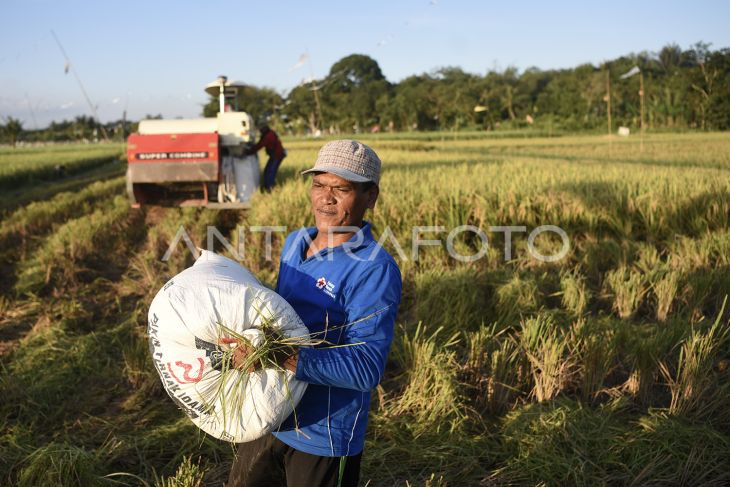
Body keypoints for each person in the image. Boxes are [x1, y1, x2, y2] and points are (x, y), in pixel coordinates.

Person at [227, 140, 402, 487]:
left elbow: (367, 368)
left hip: (323, 434)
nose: (327, 198)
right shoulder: (295, 242)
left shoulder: (374, 269)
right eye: (319, 184)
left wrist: (280, 357)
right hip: (269, 413)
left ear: (370, 197)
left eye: (342, 188)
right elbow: (278, 319)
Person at [249, 122, 287, 191]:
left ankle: (269, 187)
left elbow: (260, 145)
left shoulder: (268, 136)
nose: (260, 132)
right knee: (269, 170)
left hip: (277, 155)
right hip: (277, 155)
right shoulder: (270, 133)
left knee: (270, 171)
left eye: (261, 130)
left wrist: (250, 151)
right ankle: (269, 186)